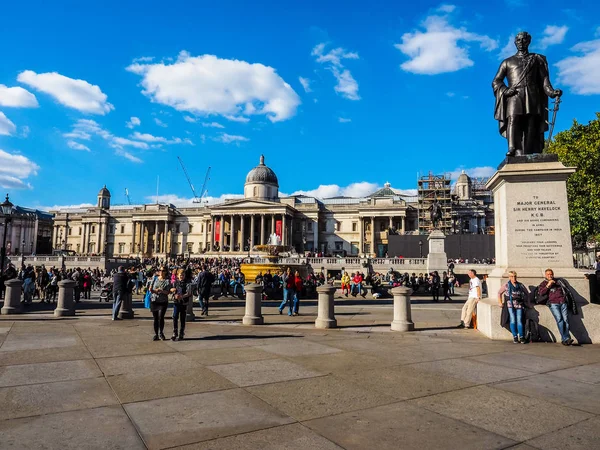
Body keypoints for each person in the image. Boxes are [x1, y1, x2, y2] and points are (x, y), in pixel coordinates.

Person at [538, 269, 576, 345]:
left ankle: (566, 338)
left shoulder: (559, 281)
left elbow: (566, 289)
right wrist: (548, 285)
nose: (550, 275)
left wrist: (564, 298)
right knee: (560, 319)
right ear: (545, 275)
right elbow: (541, 293)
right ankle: (565, 338)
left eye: (551, 274)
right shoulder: (543, 283)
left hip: (563, 302)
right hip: (553, 304)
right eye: (548, 274)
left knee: (566, 320)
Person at [498, 271, 530, 343]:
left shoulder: (520, 285)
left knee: (519, 321)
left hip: (519, 304)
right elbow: (499, 293)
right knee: (513, 320)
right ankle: (515, 336)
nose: (514, 278)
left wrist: (528, 303)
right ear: (509, 277)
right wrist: (500, 302)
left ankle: (521, 336)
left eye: (515, 276)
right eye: (512, 276)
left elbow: (527, 294)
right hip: (510, 305)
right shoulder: (506, 285)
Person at [170, 269, 192, 341]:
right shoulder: (175, 283)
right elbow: (171, 289)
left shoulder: (187, 283)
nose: (182, 276)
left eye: (183, 275)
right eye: (180, 275)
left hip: (183, 302)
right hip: (176, 302)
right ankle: (175, 332)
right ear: (177, 276)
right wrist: (173, 291)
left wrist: (182, 296)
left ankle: (181, 332)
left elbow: (188, 293)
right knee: (175, 316)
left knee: (182, 318)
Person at [150, 267, 171, 340]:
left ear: (165, 272)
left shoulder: (167, 280)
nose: (161, 272)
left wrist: (161, 291)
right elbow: (150, 289)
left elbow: (168, 292)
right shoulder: (155, 278)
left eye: (163, 270)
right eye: (160, 270)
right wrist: (152, 290)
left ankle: (161, 332)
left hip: (163, 301)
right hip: (154, 300)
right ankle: (156, 334)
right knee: (155, 318)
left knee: (161, 317)